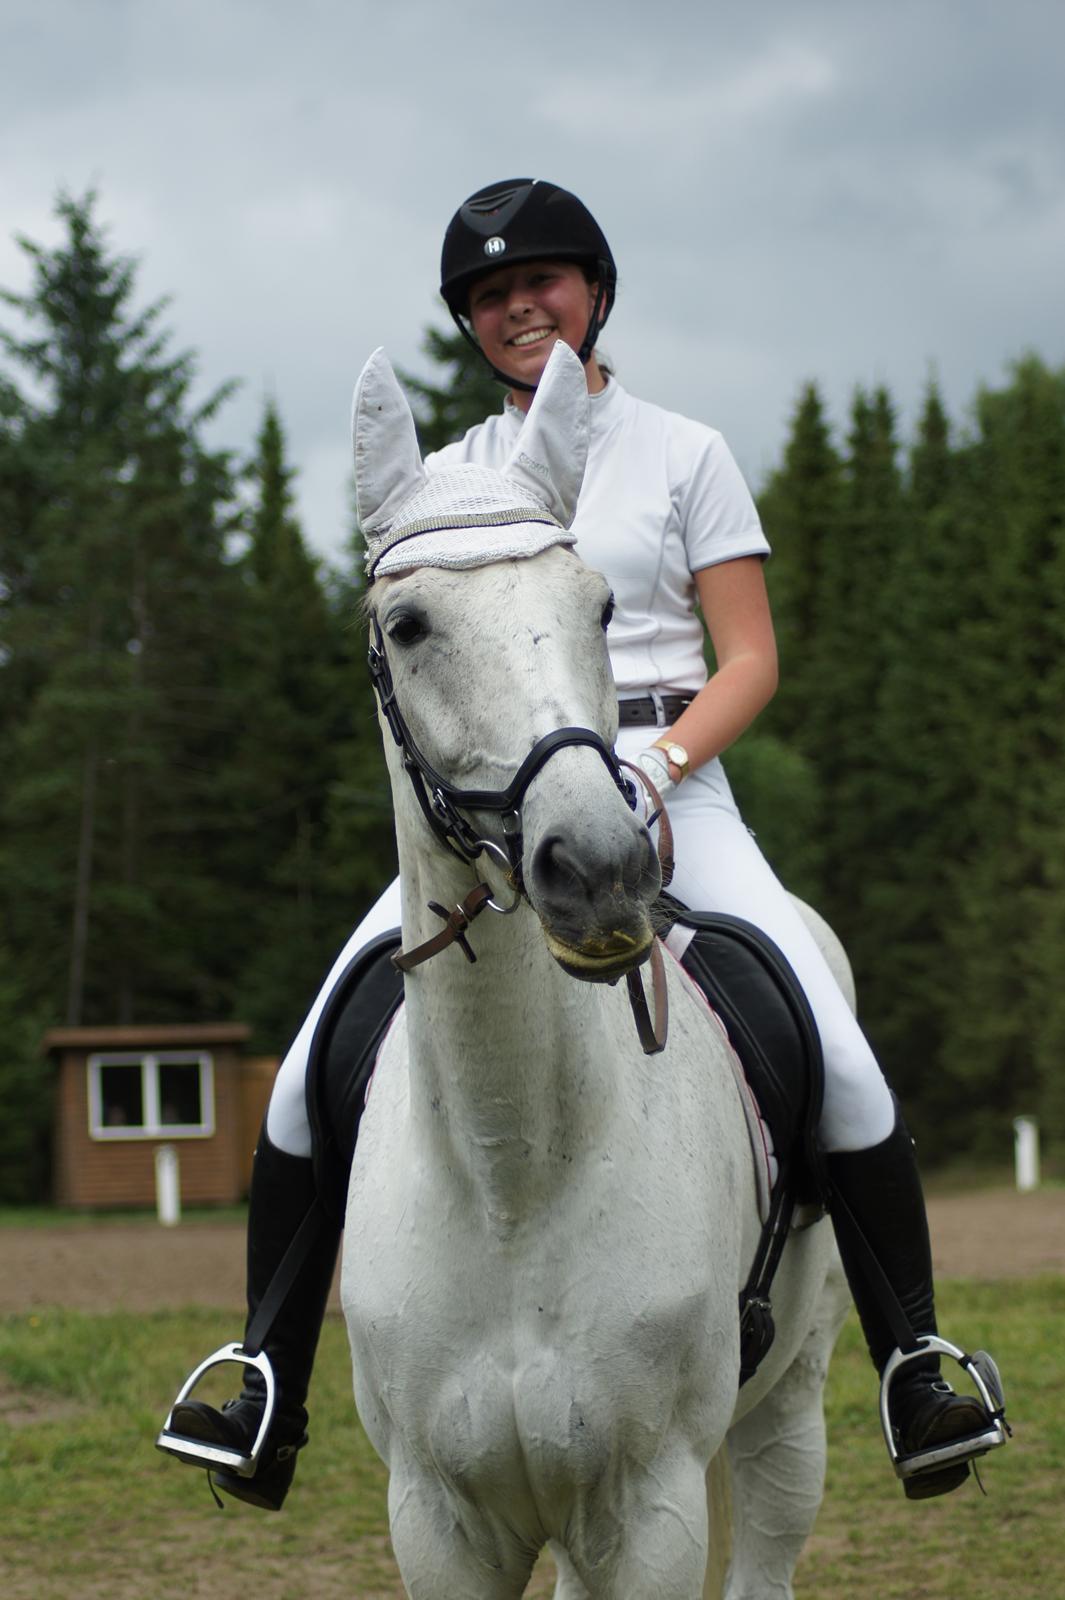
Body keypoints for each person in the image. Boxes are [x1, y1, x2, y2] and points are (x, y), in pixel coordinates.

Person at [159, 178, 1003, 1510]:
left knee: (833, 1049)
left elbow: (750, 657)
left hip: (675, 785)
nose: (517, 308)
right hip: (498, 820)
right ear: (469, 326)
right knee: (306, 1066)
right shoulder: (446, 483)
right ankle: (263, 1371)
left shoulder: (682, 453)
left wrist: (654, 766)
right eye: (490, 296)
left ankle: (915, 1356)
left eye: (540, 282)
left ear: (592, 290)